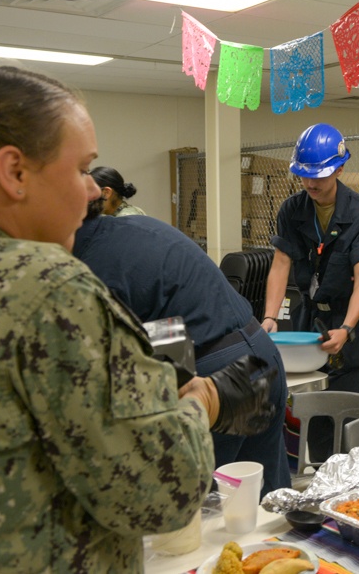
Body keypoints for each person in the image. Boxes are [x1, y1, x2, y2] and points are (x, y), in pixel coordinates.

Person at [0, 65, 273, 571]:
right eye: (81, 169)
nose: (95, 191)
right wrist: (199, 403)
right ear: (14, 172)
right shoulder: (52, 285)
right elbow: (164, 490)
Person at [73, 202, 291, 495]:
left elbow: (159, 358)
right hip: (262, 354)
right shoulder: (140, 227)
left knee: (205, 506)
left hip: (219, 372)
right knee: (268, 499)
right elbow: (166, 319)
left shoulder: (93, 267)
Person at [261, 123, 359, 459]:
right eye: (304, 175)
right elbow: (281, 264)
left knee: (345, 418)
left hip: (347, 317)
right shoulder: (291, 210)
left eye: (319, 175)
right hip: (309, 315)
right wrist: (270, 316)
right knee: (308, 412)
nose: (311, 183)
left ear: (339, 169)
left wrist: (346, 328)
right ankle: (313, 470)